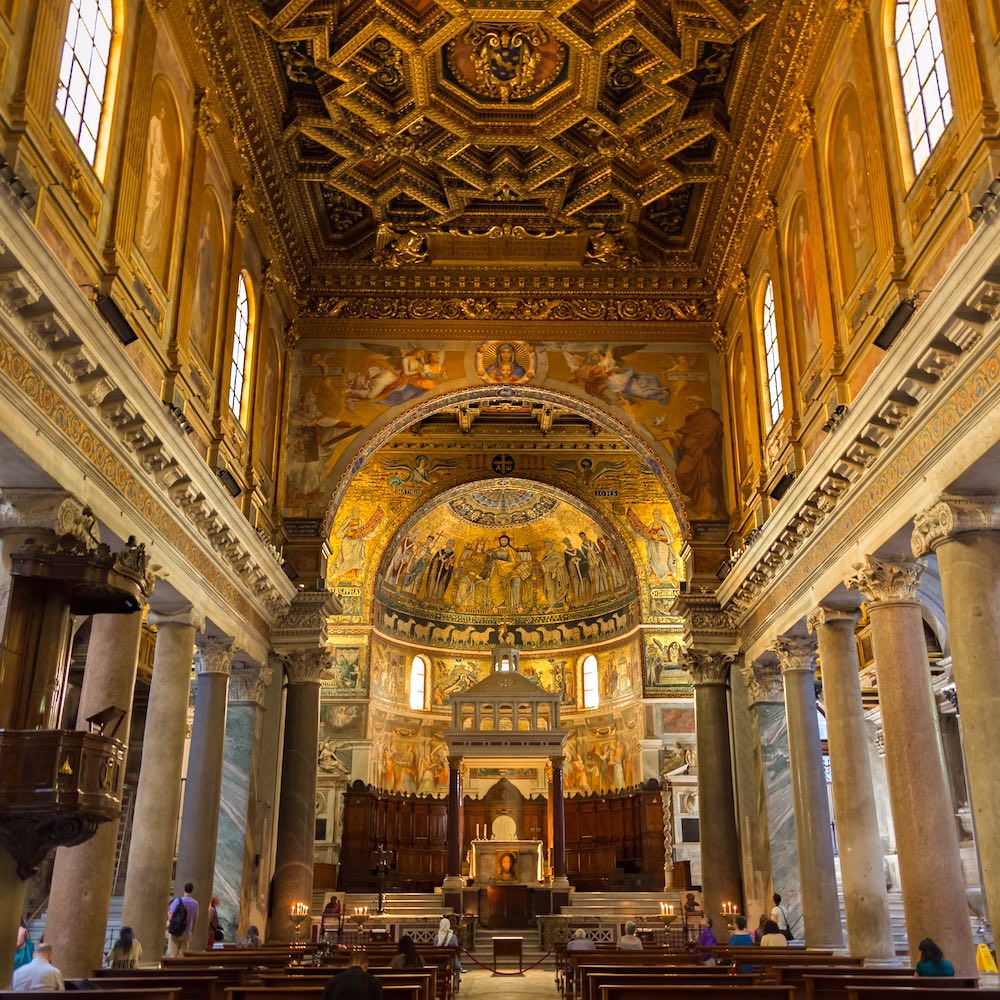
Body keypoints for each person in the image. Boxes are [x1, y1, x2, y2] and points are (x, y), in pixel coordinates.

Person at [166, 882, 199, 957]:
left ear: (184, 890)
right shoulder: (195, 903)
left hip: (175, 931)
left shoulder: (177, 901)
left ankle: (172, 968)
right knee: (182, 955)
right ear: (192, 891)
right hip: (187, 932)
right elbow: (194, 920)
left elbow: (170, 916)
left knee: (173, 954)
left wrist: (169, 927)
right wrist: (192, 933)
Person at [566, 929, 596, 994]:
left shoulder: (570, 944)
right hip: (588, 968)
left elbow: (568, 957)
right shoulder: (591, 943)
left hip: (575, 968)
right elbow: (594, 955)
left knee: (567, 971)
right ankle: (590, 989)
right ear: (584, 935)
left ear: (575, 936)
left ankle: (569, 991)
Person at [435, 917, 461, 988]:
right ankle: (455, 983)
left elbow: (434, 947)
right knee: (458, 966)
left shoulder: (437, 937)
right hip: (450, 961)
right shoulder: (453, 937)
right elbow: (456, 947)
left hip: (438, 960)